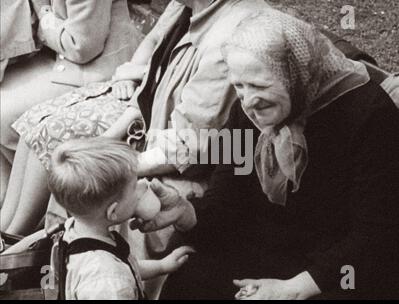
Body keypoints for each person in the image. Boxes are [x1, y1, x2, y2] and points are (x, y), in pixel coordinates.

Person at [136, 9, 399, 299]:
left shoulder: (369, 116)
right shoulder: (245, 113)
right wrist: (186, 213)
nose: (249, 101)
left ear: (298, 75)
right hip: (268, 247)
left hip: (338, 267)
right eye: (239, 86)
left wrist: (294, 289)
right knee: (189, 278)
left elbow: (376, 233)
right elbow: (227, 196)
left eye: (260, 86)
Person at [1, 0, 269, 237]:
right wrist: (105, 138)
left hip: (176, 151)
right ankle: (8, 233)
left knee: (61, 143)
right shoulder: (188, 6)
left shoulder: (228, 35)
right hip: (152, 123)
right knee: (40, 127)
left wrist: (109, 164)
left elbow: (192, 146)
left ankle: (17, 243)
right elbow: (152, 78)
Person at [0, 0, 141, 233]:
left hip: (98, 70)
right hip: (64, 61)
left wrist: (44, 16)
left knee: (12, 115)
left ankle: (19, 228)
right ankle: (7, 210)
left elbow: (82, 46)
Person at [47, 137, 193, 300]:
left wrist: (161, 266)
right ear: (113, 212)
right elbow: (115, 275)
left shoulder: (75, 230)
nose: (144, 184)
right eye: (134, 186)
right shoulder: (107, 282)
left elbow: (127, 265)